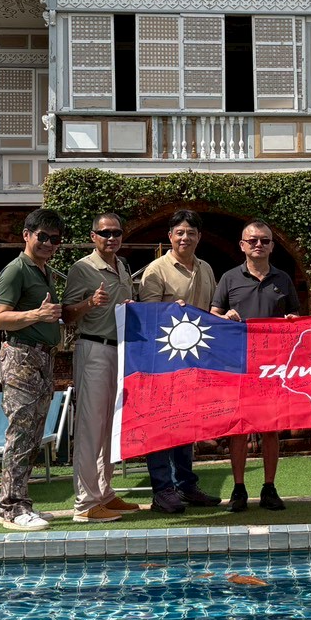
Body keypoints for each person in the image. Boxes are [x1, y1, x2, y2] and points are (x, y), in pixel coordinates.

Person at [136, 209, 222, 514]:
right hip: (161, 363)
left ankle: (186, 486)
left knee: (186, 427)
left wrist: (226, 318)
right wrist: (171, 310)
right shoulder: (156, 270)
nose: (185, 237)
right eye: (179, 232)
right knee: (161, 425)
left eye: (191, 232)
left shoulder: (207, 269)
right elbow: (146, 317)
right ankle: (163, 489)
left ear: (199, 236)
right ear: (170, 236)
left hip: (194, 363)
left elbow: (208, 315)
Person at [211, 219, 300, 513]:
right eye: (252, 241)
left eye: (264, 240)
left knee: (270, 429)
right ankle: (239, 489)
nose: (258, 245)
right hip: (237, 365)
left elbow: (296, 321)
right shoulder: (228, 278)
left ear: (272, 245)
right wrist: (225, 319)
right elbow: (213, 318)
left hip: (272, 367)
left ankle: (269, 487)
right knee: (238, 429)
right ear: (242, 245)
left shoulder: (283, 279)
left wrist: (290, 323)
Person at [0, 208, 65, 530]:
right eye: (43, 237)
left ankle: (22, 502)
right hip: (21, 358)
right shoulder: (16, 270)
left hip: (42, 360)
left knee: (33, 435)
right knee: (20, 433)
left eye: (55, 239)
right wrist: (37, 315)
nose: (49, 243)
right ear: (27, 235)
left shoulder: (43, 271)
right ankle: (10, 508)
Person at [62, 211, 136, 524]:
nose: (111, 238)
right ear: (93, 236)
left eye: (116, 232)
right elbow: (66, 314)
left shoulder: (123, 266)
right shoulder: (82, 268)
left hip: (119, 352)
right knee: (91, 427)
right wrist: (89, 303)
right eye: (104, 233)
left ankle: (105, 493)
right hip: (93, 348)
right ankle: (85, 504)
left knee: (110, 426)